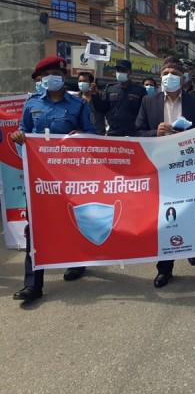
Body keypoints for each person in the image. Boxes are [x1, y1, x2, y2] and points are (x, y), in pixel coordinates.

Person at [11, 56, 96, 302]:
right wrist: (20, 138)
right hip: (39, 178)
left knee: (71, 220)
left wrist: (80, 135)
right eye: (45, 76)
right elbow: (23, 131)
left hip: (70, 178)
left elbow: (92, 136)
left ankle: (77, 262)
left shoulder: (79, 105)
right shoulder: (32, 104)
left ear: (63, 76)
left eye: (54, 74)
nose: (50, 79)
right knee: (36, 228)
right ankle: (33, 284)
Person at [135, 56, 195, 287]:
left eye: (175, 74)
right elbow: (137, 131)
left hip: (189, 166)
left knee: (191, 211)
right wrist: (154, 132)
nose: (169, 77)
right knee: (164, 219)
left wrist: (187, 136)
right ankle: (164, 269)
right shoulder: (149, 102)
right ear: (160, 78)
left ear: (183, 79)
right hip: (161, 167)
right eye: (165, 73)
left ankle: (194, 248)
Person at [92, 59, 146, 136]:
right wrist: (95, 95)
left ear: (130, 72)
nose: (120, 73)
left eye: (123, 70)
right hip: (114, 132)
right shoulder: (110, 89)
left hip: (133, 133)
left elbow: (144, 113)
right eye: (118, 70)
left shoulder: (140, 90)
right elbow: (101, 109)